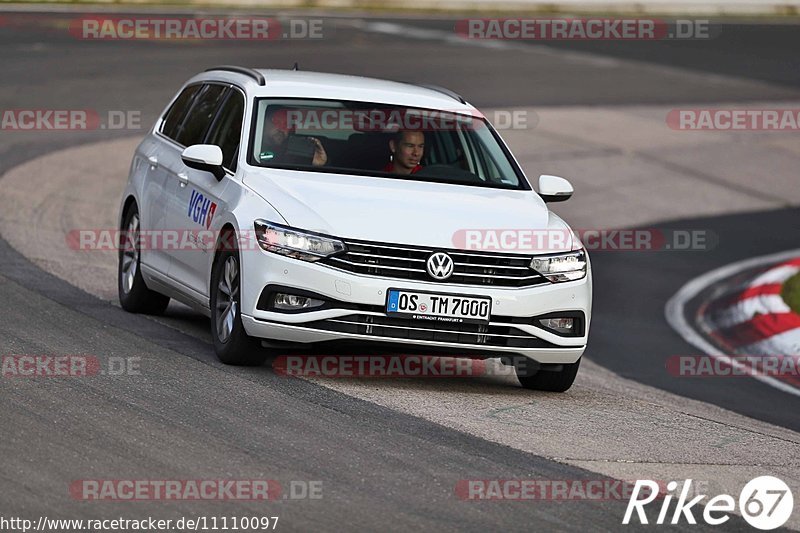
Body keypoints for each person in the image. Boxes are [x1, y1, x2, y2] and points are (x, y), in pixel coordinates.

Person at [259, 107, 327, 166]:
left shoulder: (292, 153)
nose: (282, 129)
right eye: (277, 122)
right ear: (263, 121)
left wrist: (316, 165)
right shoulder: (251, 144)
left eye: (286, 124)